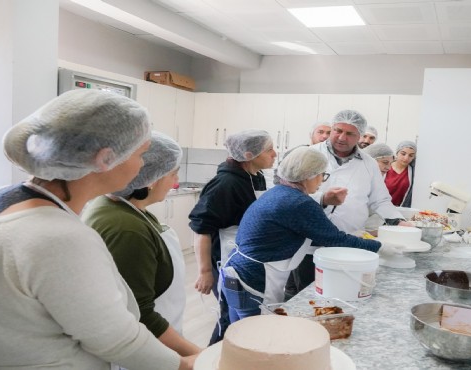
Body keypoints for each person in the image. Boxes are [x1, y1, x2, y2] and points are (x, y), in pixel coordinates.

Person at [0, 90, 194, 369]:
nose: (142, 166)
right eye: (141, 154)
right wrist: (189, 366)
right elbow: (117, 340)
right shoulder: (59, 238)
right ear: (106, 159)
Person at [221, 146, 401, 322]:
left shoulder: (280, 192)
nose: (322, 181)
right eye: (322, 175)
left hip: (238, 272)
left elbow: (314, 231)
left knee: (238, 333)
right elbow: (334, 239)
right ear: (310, 176)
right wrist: (379, 247)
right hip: (255, 278)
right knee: (255, 338)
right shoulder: (299, 202)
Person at [82, 131, 202, 359]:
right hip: (146, 352)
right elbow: (139, 313)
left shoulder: (122, 208)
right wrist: (196, 355)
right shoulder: (125, 228)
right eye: (173, 175)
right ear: (151, 178)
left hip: (157, 343)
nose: (175, 183)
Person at [285, 110, 414, 297]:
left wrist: (399, 222)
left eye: (350, 133)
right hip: (309, 243)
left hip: (350, 241)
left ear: (359, 136)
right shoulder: (309, 155)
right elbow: (288, 195)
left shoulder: (368, 163)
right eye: (337, 130)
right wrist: (323, 198)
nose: (341, 137)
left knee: (344, 295)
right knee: (306, 296)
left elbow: (381, 199)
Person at [188, 129, 276, 345]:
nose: (275, 153)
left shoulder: (256, 177)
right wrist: (205, 272)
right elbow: (202, 229)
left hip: (244, 259)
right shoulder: (225, 184)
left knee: (238, 317)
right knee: (229, 318)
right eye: (269, 149)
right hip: (225, 262)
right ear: (249, 155)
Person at [362, 143, 396, 232]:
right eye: (385, 162)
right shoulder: (356, 181)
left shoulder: (377, 180)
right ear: (369, 160)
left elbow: (381, 202)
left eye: (391, 164)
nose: (388, 168)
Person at [385, 140, 417, 207]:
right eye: (403, 154)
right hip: (380, 209)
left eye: (411, 155)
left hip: (401, 211)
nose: (406, 158)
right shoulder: (385, 169)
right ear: (397, 153)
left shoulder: (413, 173)